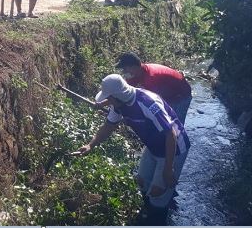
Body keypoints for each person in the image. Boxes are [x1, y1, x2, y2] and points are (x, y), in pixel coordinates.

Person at [75, 74, 190, 223]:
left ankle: (157, 215)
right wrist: (90, 145)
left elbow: (170, 133)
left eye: (108, 99)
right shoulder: (119, 105)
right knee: (141, 182)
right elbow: (108, 126)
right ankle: (147, 211)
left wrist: (168, 169)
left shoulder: (147, 103)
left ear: (117, 96)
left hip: (173, 148)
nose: (106, 102)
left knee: (157, 194)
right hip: (153, 147)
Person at [115, 52, 192, 124]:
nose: (124, 72)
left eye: (125, 68)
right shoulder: (135, 73)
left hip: (182, 95)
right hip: (167, 92)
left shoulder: (151, 78)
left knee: (174, 125)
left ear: (133, 67)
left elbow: (154, 103)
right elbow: (127, 93)